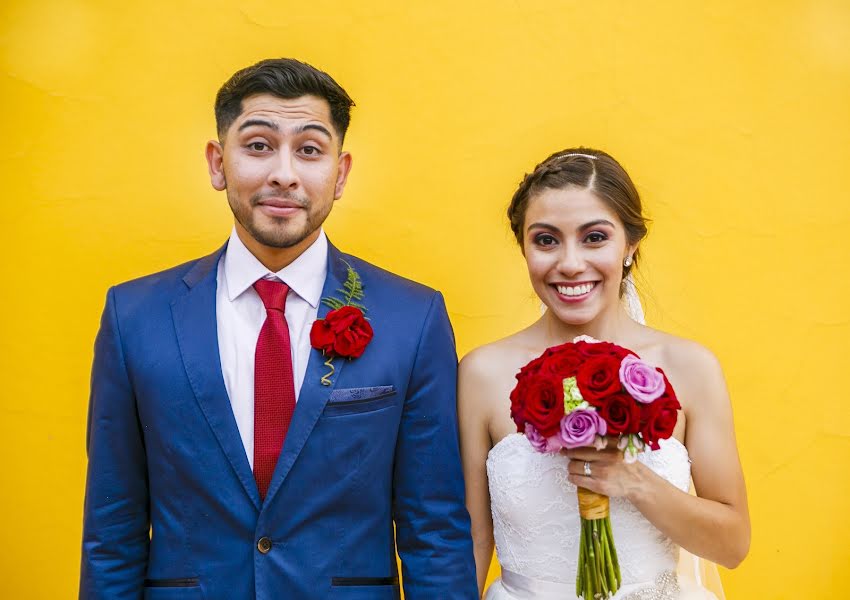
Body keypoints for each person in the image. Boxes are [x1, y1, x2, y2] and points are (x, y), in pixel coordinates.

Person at [80, 58, 478, 600]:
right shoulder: (134, 317)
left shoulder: (413, 317)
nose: (284, 174)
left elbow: (435, 531)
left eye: (310, 150)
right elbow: (113, 530)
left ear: (340, 174)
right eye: (259, 145)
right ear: (218, 163)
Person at [458, 148, 750, 599]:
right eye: (546, 240)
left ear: (630, 244)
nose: (570, 263)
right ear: (523, 247)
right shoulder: (481, 374)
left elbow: (732, 545)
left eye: (594, 237)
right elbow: (474, 540)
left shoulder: (690, 367)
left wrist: (634, 480)